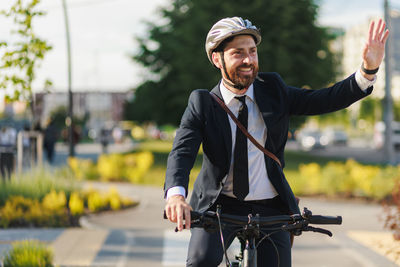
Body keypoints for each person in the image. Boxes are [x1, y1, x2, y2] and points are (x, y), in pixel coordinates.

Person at [164, 17, 389, 267]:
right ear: (217, 59)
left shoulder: (274, 89)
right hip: (219, 207)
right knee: (199, 261)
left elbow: (324, 99)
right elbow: (182, 152)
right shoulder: (202, 103)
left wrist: (368, 71)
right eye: (238, 53)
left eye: (252, 51)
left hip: (270, 207)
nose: (249, 60)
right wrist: (176, 196)